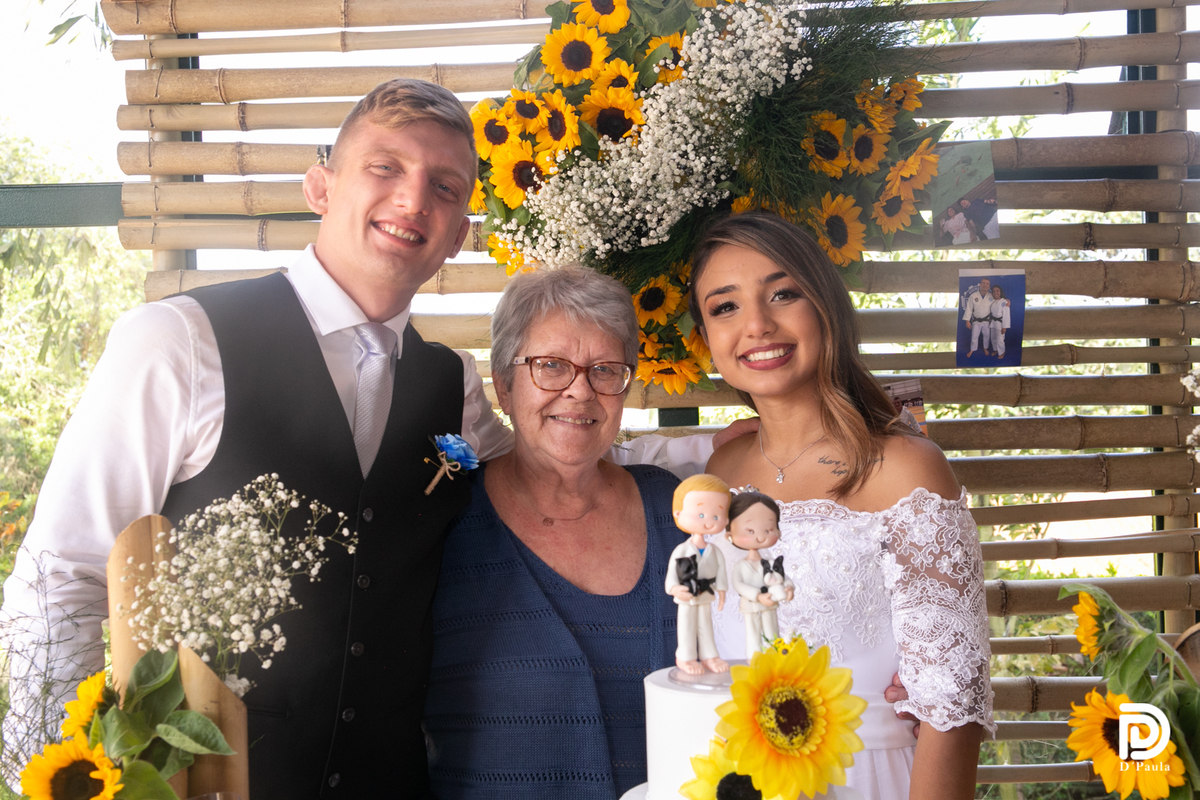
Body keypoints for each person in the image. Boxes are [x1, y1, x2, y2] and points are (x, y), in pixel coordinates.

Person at [1, 79, 725, 796]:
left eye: (445, 187)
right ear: (320, 186)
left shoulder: (452, 394)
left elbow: (546, 452)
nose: (414, 200)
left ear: (457, 231)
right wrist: (62, 778)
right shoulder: (181, 345)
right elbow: (62, 576)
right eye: (385, 168)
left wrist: (724, 451)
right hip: (212, 781)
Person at [691, 212, 994, 800]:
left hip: (871, 778)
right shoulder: (718, 477)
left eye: (783, 294)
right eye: (724, 307)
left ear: (827, 308)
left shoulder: (907, 468)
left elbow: (952, 708)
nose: (756, 324)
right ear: (707, 339)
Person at [423, 266, 689, 799]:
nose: (580, 391)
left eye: (606, 370)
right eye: (550, 366)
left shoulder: (675, 509)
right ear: (503, 382)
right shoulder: (443, 520)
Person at [665, 474, 731, 675]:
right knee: (686, 627)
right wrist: (675, 588)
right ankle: (685, 657)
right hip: (687, 595)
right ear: (678, 514)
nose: (709, 522)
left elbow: (720, 572)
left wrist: (721, 591)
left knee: (706, 625)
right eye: (700, 515)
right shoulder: (682, 550)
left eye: (717, 516)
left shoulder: (714, 550)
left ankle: (710, 655)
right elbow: (671, 576)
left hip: (705, 593)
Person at [725, 491, 793, 655]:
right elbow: (738, 584)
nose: (760, 537)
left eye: (768, 529)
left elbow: (782, 577)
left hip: (770, 604)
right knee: (753, 635)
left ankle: (775, 660)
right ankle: (754, 661)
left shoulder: (770, 563)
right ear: (729, 535)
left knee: (772, 632)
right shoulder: (741, 565)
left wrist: (788, 587)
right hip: (751, 604)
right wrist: (757, 595)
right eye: (750, 531)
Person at [962, 277, 992, 358]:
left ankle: (985, 348)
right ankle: (972, 349)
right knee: (974, 336)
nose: (985, 285)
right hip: (976, 320)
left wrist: (1006, 302)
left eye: (987, 284)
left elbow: (998, 303)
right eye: (983, 283)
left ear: (989, 286)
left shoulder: (991, 296)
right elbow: (969, 308)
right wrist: (967, 320)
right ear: (980, 285)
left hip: (986, 320)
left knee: (987, 335)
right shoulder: (973, 296)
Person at [988, 284, 1011, 359]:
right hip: (993, 322)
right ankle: (996, 349)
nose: (996, 293)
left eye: (997, 291)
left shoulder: (1004, 302)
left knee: (1000, 339)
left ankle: (1002, 351)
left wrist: (1004, 327)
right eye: (994, 291)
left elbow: (1006, 315)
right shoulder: (993, 302)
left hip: (1000, 323)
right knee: (993, 338)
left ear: (1000, 292)